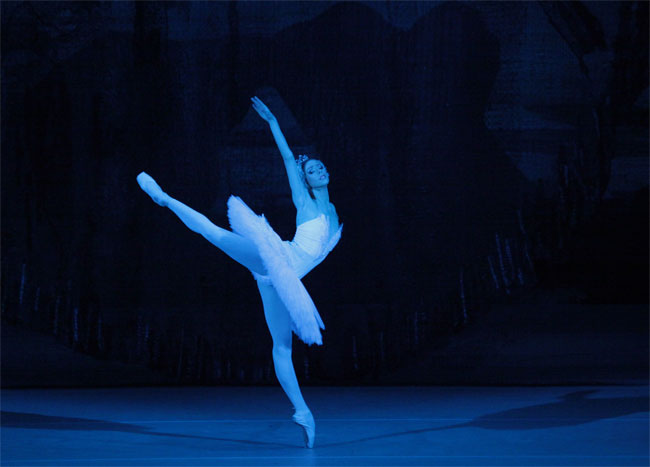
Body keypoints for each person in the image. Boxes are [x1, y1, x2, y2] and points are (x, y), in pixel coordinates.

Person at [136, 96, 341, 448]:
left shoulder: (333, 209)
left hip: (283, 281)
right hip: (279, 260)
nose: (318, 170)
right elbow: (290, 159)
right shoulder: (304, 200)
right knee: (215, 234)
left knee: (281, 346)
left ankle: (303, 413)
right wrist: (274, 122)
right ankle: (165, 199)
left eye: (321, 167)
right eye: (312, 170)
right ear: (305, 182)